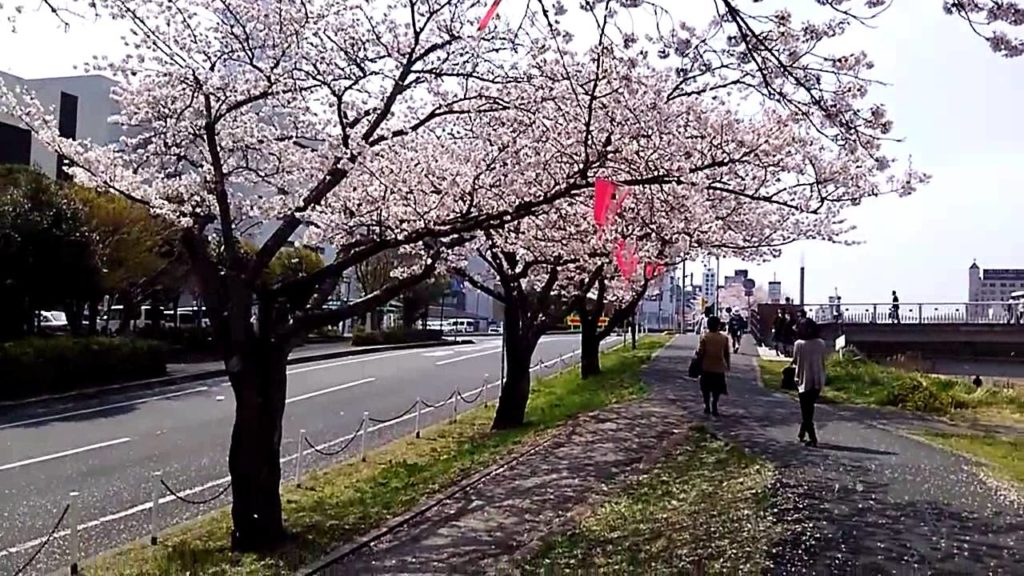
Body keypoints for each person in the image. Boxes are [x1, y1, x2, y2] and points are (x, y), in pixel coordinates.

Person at [792, 319, 827, 447]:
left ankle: (813, 438)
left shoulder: (798, 344)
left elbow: (795, 360)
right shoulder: (821, 343)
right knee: (809, 407)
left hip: (803, 379)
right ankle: (802, 433)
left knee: (806, 411)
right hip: (818, 379)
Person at [697, 316, 730, 416]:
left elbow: (700, 351)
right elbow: (726, 353)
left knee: (705, 388)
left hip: (706, 366)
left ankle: (707, 405)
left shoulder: (704, 337)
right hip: (719, 367)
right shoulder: (724, 338)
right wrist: (728, 365)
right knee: (717, 388)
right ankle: (714, 404)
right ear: (718, 326)